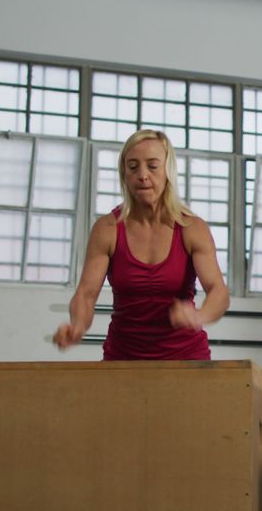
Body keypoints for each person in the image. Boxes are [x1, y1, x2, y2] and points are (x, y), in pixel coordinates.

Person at [54, 129, 230, 360]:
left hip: (186, 358)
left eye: (153, 166)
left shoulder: (191, 229)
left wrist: (199, 316)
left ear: (168, 170)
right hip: (123, 360)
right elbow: (86, 294)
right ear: (124, 173)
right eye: (133, 167)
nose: (143, 175)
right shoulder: (107, 229)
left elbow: (218, 291)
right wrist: (77, 325)